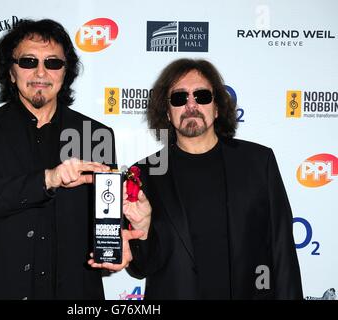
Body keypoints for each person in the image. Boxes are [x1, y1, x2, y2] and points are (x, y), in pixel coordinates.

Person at [113, 58, 303, 299]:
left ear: (217, 108)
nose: (191, 105)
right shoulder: (144, 173)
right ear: (168, 113)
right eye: (179, 98)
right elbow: (141, 268)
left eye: (202, 96)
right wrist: (143, 230)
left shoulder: (258, 162)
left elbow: (282, 251)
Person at [0, 19, 117, 300]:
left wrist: (123, 236)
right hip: (2, 289)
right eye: (28, 61)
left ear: (66, 72)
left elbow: (106, 221)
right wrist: (48, 179)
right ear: (10, 70)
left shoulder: (95, 135)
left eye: (53, 63)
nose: (41, 72)